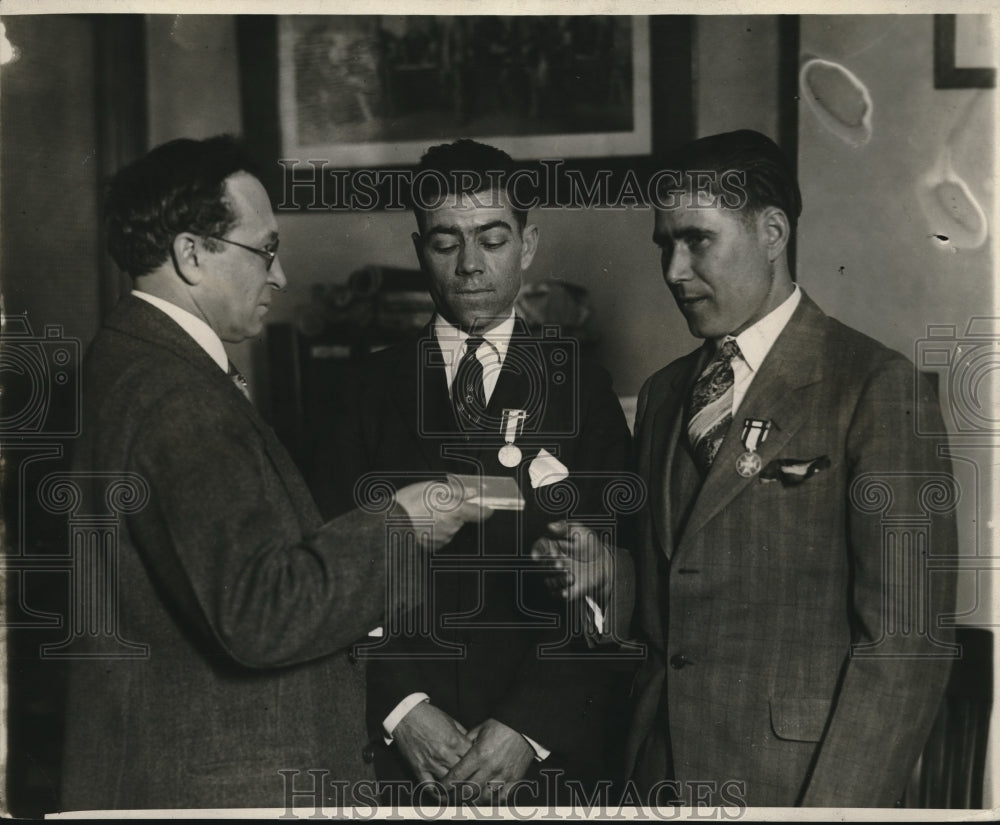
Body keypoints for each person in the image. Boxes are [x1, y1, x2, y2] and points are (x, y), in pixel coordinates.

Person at [60, 135, 487, 811]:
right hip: (224, 785)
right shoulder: (177, 394)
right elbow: (261, 610)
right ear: (192, 254)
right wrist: (403, 524)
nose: (281, 275)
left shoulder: (133, 363)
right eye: (265, 250)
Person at [536, 129, 957, 807]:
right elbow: (677, 600)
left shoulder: (876, 386)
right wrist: (610, 576)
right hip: (655, 779)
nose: (674, 270)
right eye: (663, 245)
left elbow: (907, 643)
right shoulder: (666, 393)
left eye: (697, 240)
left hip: (793, 789)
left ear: (771, 231)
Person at [320, 139, 635, 805]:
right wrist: (403, 710)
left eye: (491, 239)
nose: (469, 265)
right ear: (418, 248)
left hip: (547, 762)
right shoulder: (359, 392)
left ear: (528, 244)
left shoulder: (584, 388)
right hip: (400, 760)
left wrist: (529, 727)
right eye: (445, 242)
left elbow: (620, 576)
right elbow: (328, 574)